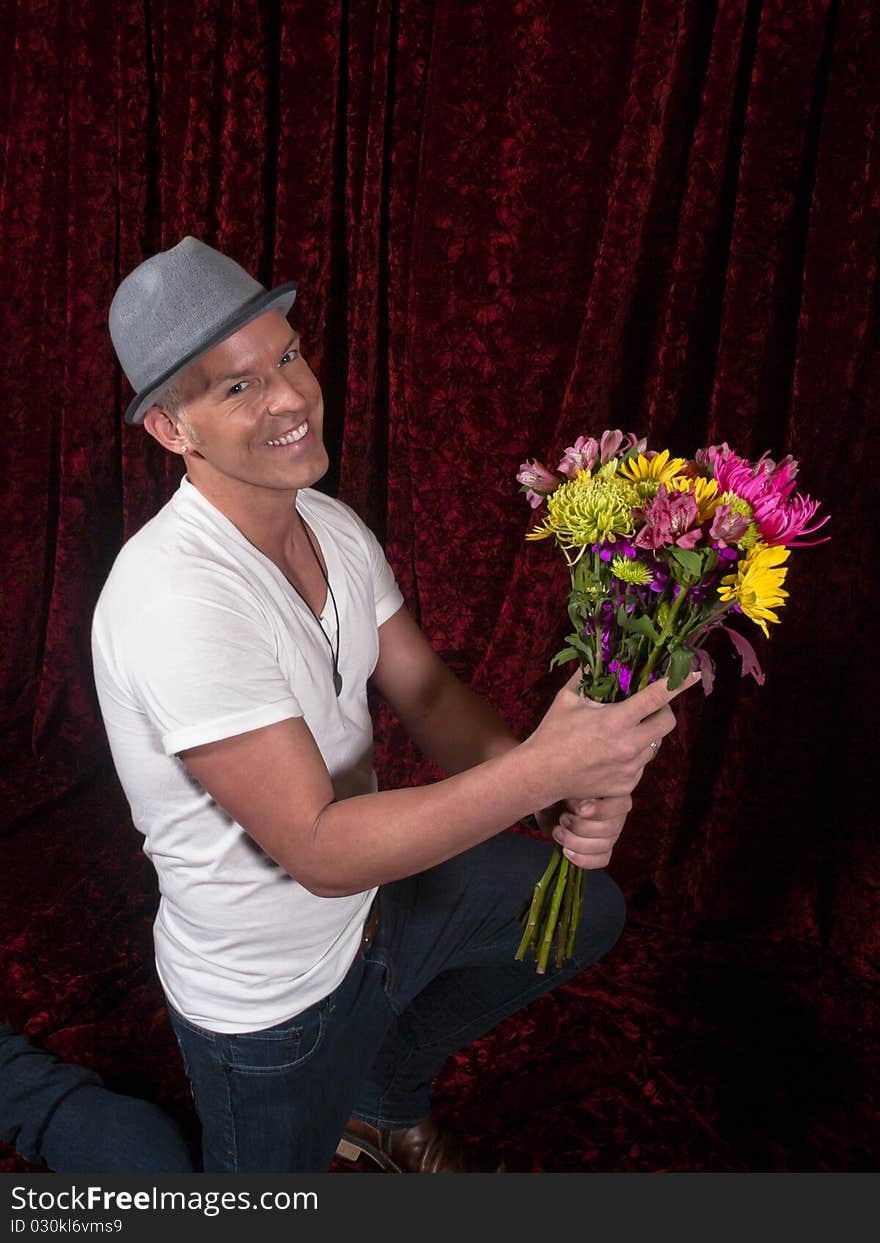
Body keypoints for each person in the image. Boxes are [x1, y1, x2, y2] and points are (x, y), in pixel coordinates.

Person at [92, 236, 696, 1174]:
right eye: (236, 387)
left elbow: (424, 688)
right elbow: (321, 849)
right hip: (272, 1005)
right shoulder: (175, 597)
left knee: (582, 910)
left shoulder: (327, 522)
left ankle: (377, 1100)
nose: (291, 397)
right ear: (174, 430)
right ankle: (41, 1097)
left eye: (287, 355)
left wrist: (556, 785)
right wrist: (547, 764)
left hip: (377, 915)